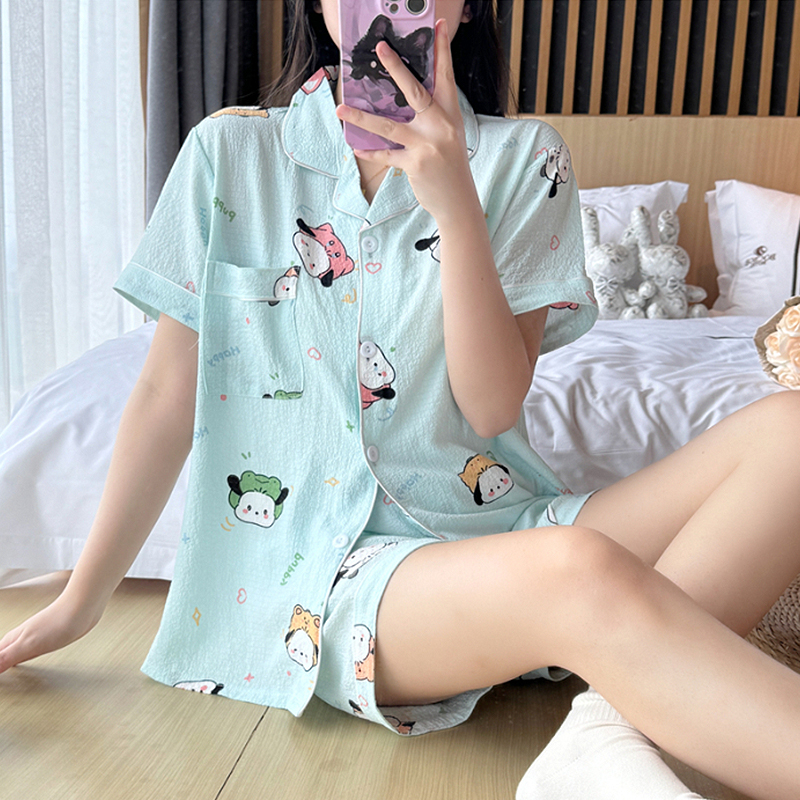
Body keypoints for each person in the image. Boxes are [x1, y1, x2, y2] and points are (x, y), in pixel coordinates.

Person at [2, 2, 800, 798]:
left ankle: (603, 727)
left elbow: (490, 408)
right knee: (580, 569)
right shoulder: (231, 152)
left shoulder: (526, 157)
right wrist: (80, 599)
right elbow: (164, 393)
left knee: (790, 432)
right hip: (325, 575)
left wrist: (457, 207)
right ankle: (609, 691)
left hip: (506, 526)